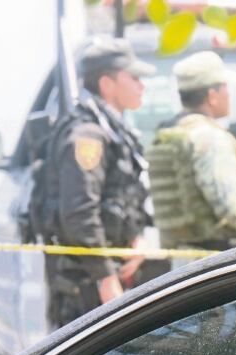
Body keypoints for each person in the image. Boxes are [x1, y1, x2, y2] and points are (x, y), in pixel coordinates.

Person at [41, 38, 155, 328]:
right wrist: (106, 278)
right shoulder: (88, 135)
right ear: (107, 84)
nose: (142, 86)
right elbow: (80, 213)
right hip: (89, 287)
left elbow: (125, 195)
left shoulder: (114, 129)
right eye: (134, 78)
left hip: (111, 278)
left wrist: (137, 240)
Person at [146, 51, 236, 255]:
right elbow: (231, 206)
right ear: (212, 97)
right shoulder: (209, 138)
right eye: (225, 88)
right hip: (217, 264)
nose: (229, 94)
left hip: (181, 264)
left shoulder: (170, 135)